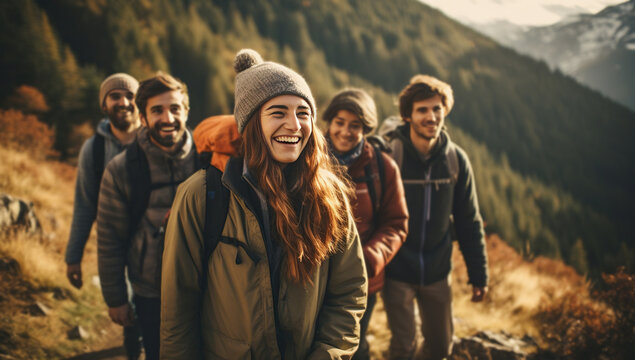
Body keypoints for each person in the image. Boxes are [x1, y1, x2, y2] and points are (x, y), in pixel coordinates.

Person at [160, 49, 368, 359]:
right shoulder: (202, 196)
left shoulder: (330, 198)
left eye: (303, 112)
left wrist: (328, 355)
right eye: (278, 112)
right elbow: (178, 307)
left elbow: (349, 291)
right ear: (251, 123)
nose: (294, 125)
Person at [382, 75, 489, 360]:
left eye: (437, 109)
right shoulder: (391, 155)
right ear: (408, 116)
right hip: (397, 271)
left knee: (441, 347)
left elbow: (469, 221)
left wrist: (479, 276)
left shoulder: (456, 160)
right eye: (422, 110)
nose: (431, 117)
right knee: (403, 346)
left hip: (438, 271)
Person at [97, 72, 198, 360]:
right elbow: (109, 239)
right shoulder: (121, 169)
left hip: (204, 286)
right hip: (150, 292)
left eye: (175, 108)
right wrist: (116, 298)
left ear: (186, 111)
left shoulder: (207, 159)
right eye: (157, 110)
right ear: (143, 117)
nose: (168, 118)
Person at [323, 88, 408, 360]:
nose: (345, 131)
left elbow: (396, 223)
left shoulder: (382, 168)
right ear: (329, 123)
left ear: (366, 129)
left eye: (355, 126)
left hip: (361, 282)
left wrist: (368, 260)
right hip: (312, 278)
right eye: (339, 122)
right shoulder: (306, 159)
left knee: (352, 346)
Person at [64, 72, 142, 360]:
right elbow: (85, 204)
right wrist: (73, 256)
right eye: (115, 96)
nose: (123, 101)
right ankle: (135, 349)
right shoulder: (94, 150)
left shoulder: (156, 138)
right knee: (129, 308)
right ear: (104, 105)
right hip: (117, 245)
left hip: (159, 240)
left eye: (130, 95)